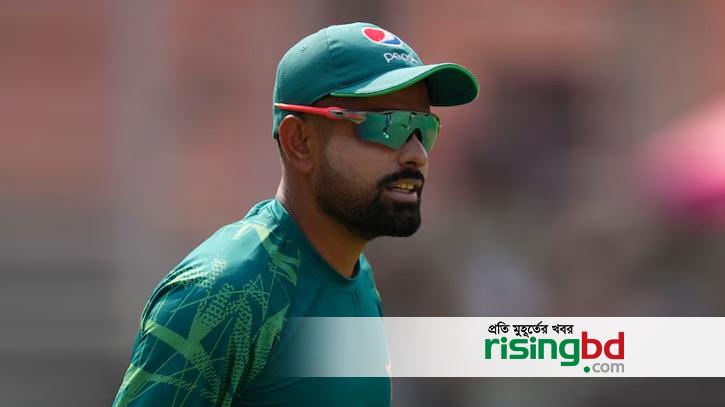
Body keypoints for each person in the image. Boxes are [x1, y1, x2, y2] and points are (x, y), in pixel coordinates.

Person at [112, 22, 478, 406]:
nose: (417, 154)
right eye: (388, 126)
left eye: (424, 128)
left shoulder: (359, 277)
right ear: (299, 142)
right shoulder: (225, 291)